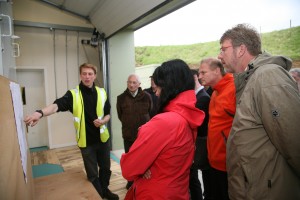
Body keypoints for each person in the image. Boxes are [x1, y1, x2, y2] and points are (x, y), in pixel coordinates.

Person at [218, 23, 300, 199]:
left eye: (223, 49)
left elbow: (293, 140)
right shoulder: (250, 80)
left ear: (241, 50)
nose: (219, 55)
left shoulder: (267, 77)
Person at [24, 63, 119, 200]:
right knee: (92, 174)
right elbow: (56, 106)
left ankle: (105, 190)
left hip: (103, 139)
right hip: (86, 142)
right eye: (84, 74)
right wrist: (40, 113)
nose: (87, 77)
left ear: (95, 76)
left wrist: (104, 121)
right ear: (80, 75)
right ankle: (98, 195)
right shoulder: (73, 94)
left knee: (105, 168)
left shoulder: (102, 92)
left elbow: (108, 113)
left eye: (90, 74)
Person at [120, 59, 205, 199]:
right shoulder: (187, 115)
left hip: (155, 193)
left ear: (169, 87)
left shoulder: (164, 122)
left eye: (158, 88)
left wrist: (144, 163)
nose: (157, 94)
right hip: (177, 191)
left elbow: (128, 169)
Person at [198, 58, 236, 200]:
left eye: (203, 72)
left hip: (229, 166)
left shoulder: (234, 88)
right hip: (213, 163)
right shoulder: (214, 93)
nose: (200, 76)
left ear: (217, 70)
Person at [116, 73, 152, 189]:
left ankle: (142, 180)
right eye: (129, 82)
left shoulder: (147, 97)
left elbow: (150, 113)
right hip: (128, 135)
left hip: (144, 136)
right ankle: (131, 181)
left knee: (144, 159)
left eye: (134, 82)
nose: (131, 85)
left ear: (139, 84)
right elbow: (120, 115)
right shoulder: (121, 98)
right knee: (130, 160)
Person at [189, 69, 211, 200]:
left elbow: (196, 123)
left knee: (195, 177)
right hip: (198, 142)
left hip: (201, 143)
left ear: (195, 78)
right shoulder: (197, 96)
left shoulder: (202, 98)